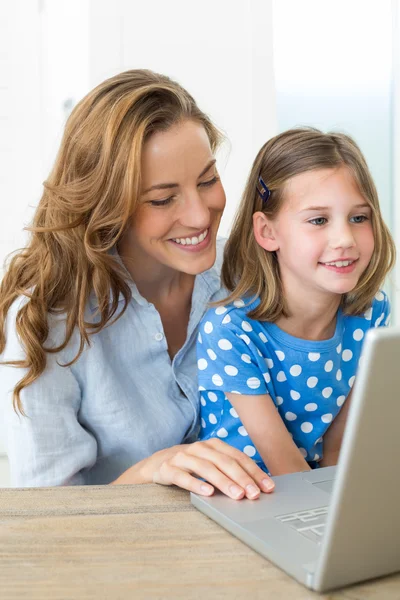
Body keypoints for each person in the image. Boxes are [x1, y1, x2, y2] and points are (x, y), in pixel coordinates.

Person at [0, 69, 275, 499]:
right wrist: (153, 469)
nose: (201, 216)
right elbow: (44, 516)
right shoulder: (47, 320)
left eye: (207, 180)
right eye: (163, 199)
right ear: (107, 205)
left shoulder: (243, 273)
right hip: (116, 558)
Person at [197, 127, 395, 475]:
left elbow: (339, 453)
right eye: (318, 220)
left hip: (314, 493)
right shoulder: (231, 329)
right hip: (246, 496)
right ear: (267, 232)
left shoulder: (370, 313)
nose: (345, 238)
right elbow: (284, 465)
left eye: (359, 218)